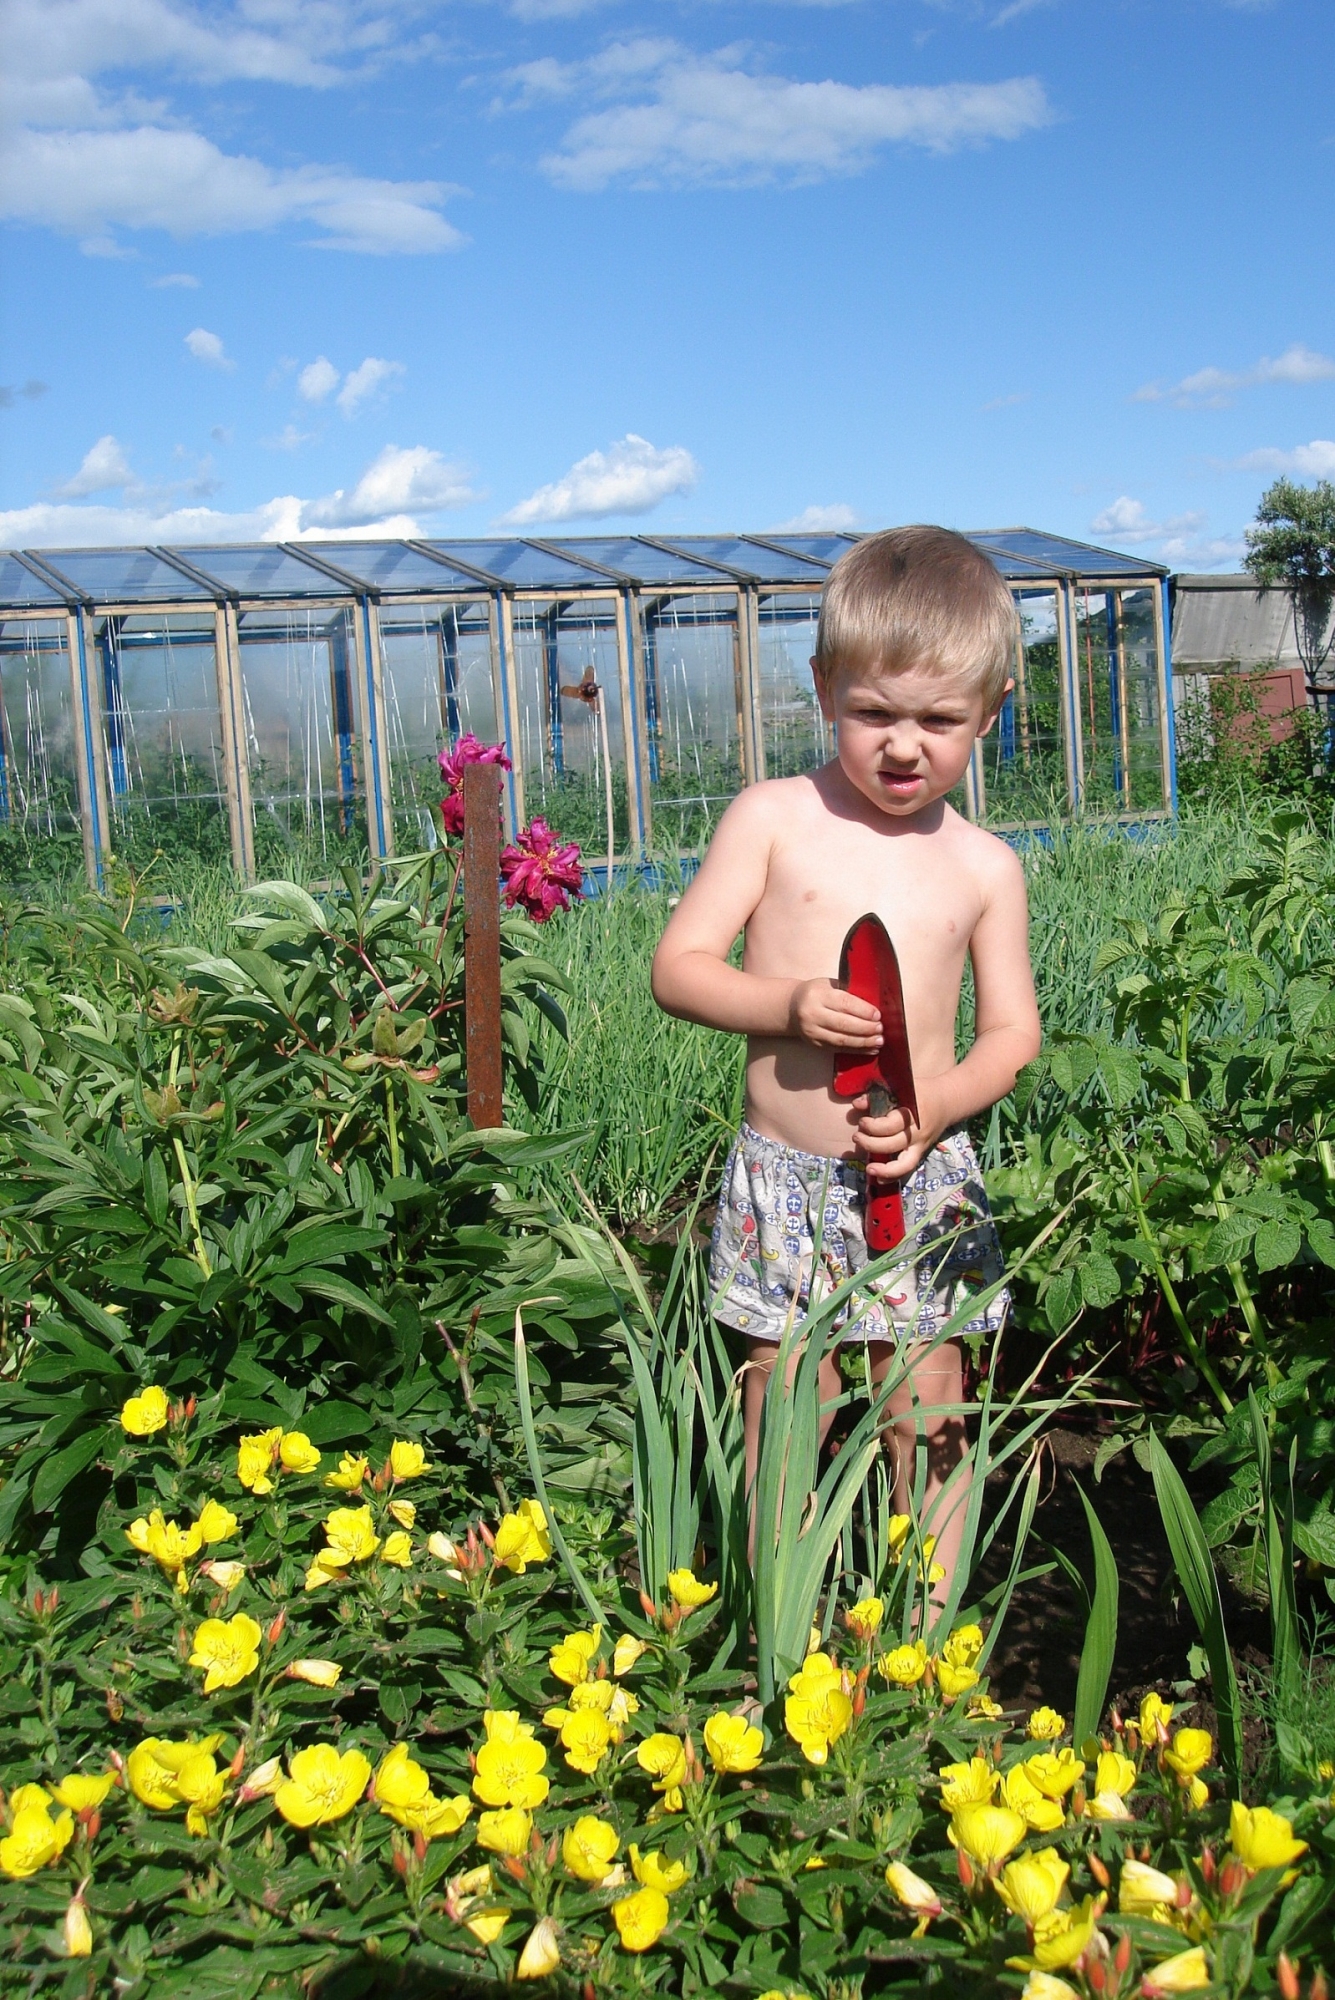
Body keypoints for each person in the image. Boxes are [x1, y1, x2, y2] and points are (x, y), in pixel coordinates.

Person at [651, 526, 1041, 1598]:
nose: (903, 745)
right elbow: (679, 967)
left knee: (931, 1396)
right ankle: (788, 1617)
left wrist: (937, 1108)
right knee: (789, 1396)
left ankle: (930, 1632)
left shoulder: (983, 866)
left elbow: (1013, 1033)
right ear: (824, 688)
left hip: (920, 1177)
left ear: (991, 710)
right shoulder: (777, 819)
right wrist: (785, 1003)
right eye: (874, 712)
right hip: (784, 1176)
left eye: (940, 719)